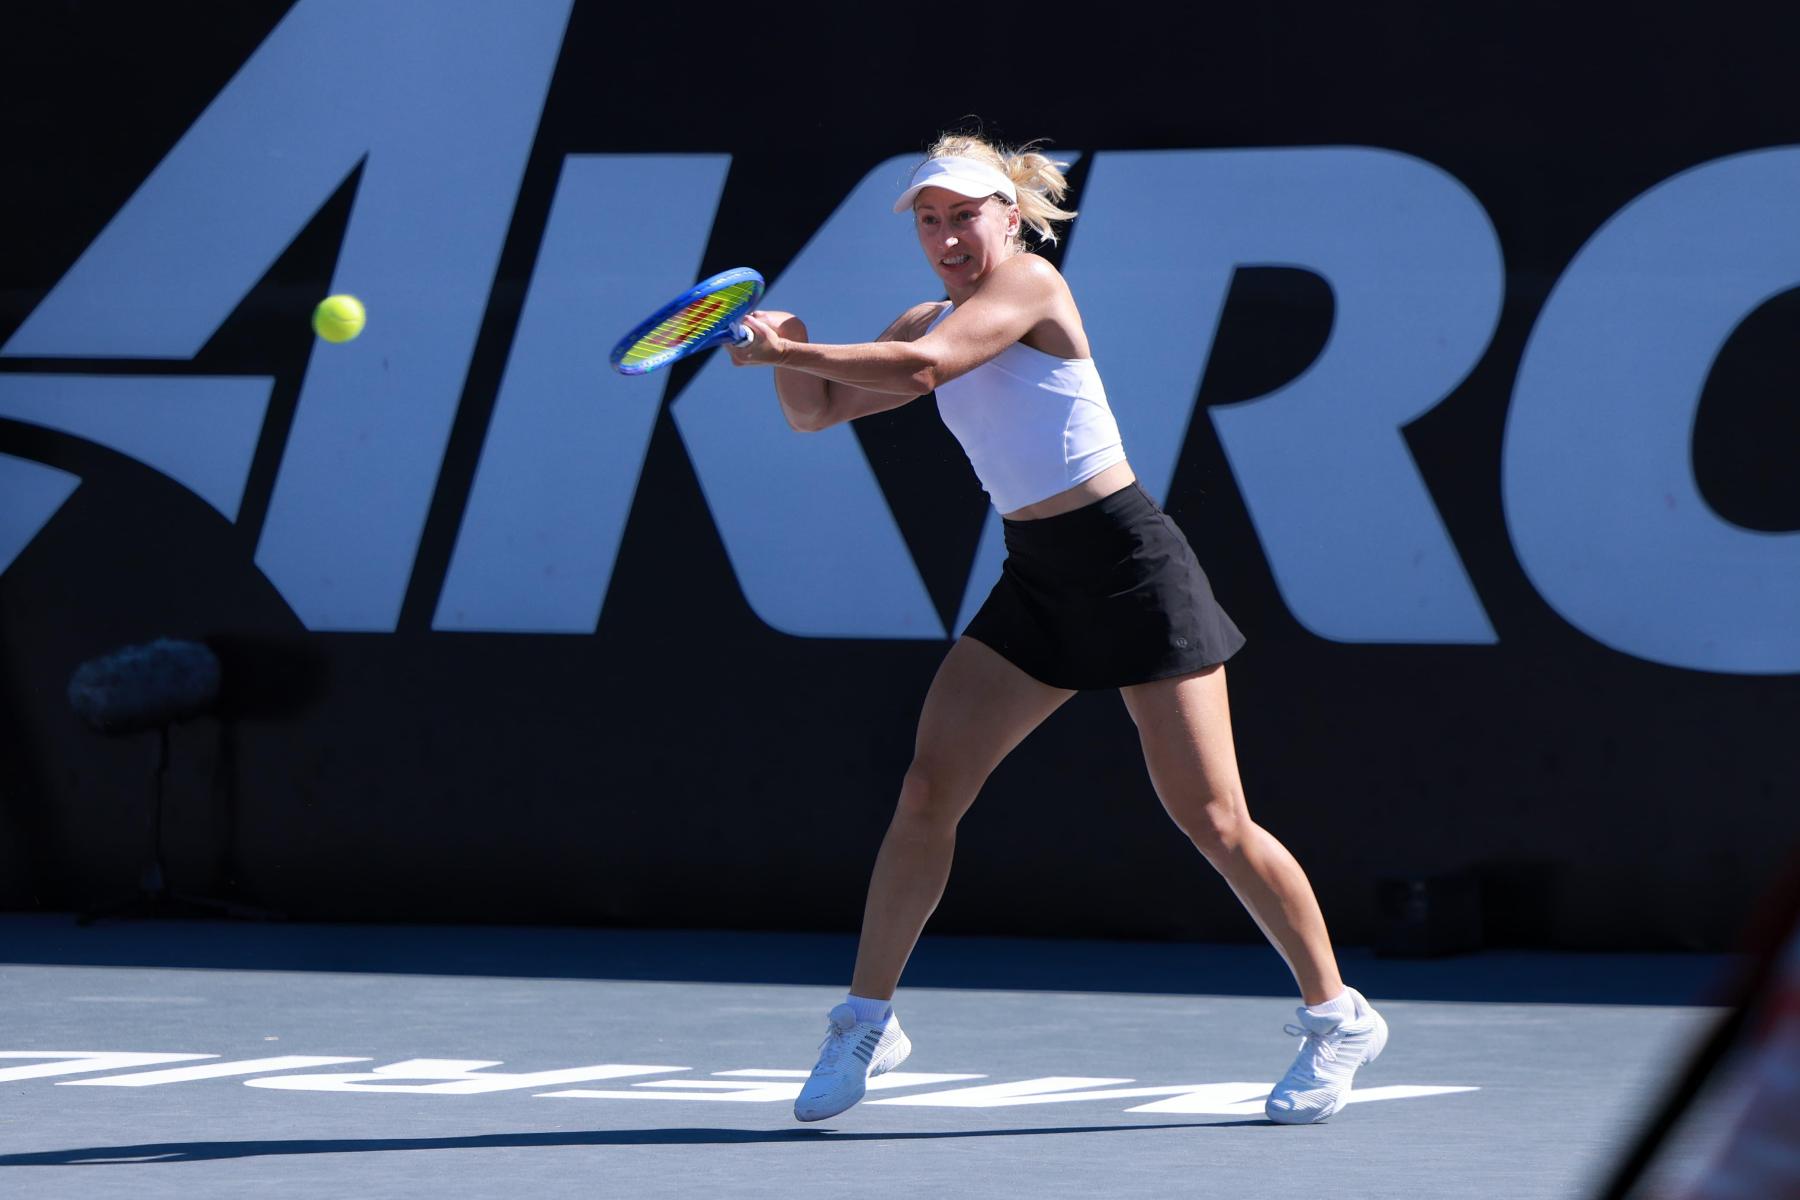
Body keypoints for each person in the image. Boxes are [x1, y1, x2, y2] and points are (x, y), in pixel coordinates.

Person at [726, 132, 1386, 1126]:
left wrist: (786, 351)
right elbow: (813, 413)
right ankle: (866, 1020)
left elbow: (922, 372)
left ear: (1009, 216)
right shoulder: (923, 315)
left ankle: (1338, 1019)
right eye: (930, 221)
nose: (947, 236)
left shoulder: (1031, 286)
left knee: (1212, 818)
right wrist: (784, 345)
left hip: (1132, 568)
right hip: (1038, 579)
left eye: (965, 215)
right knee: (927, 790)